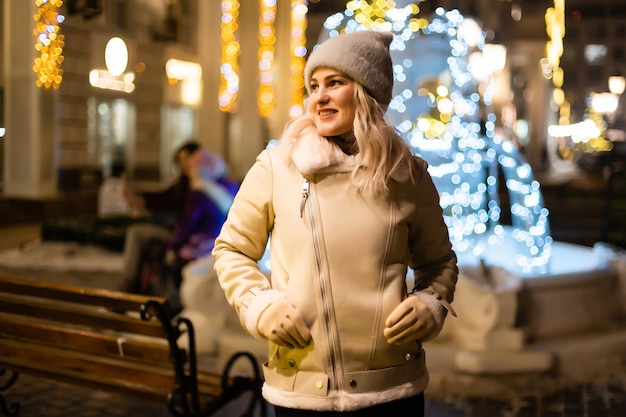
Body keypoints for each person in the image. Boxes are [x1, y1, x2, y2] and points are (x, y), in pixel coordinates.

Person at [212, 30, 458, 416]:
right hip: (301, 391)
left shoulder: (407, 174)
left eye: (335, 83)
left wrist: (431, 302)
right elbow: (232, 250)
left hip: (392, 388)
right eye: (313, 86)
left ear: (366, 92)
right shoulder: (278, 167)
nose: (318, 97)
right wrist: (259, 304)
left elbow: (439, 262)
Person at [119, 143, 238, 301]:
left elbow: (186, 225)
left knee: (157, 253)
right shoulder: (227, 187)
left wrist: (171, 246)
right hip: (214, 245)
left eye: (189, 162)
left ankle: (134, 290)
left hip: (196, 247)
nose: (185, 166)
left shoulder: (198, 192)